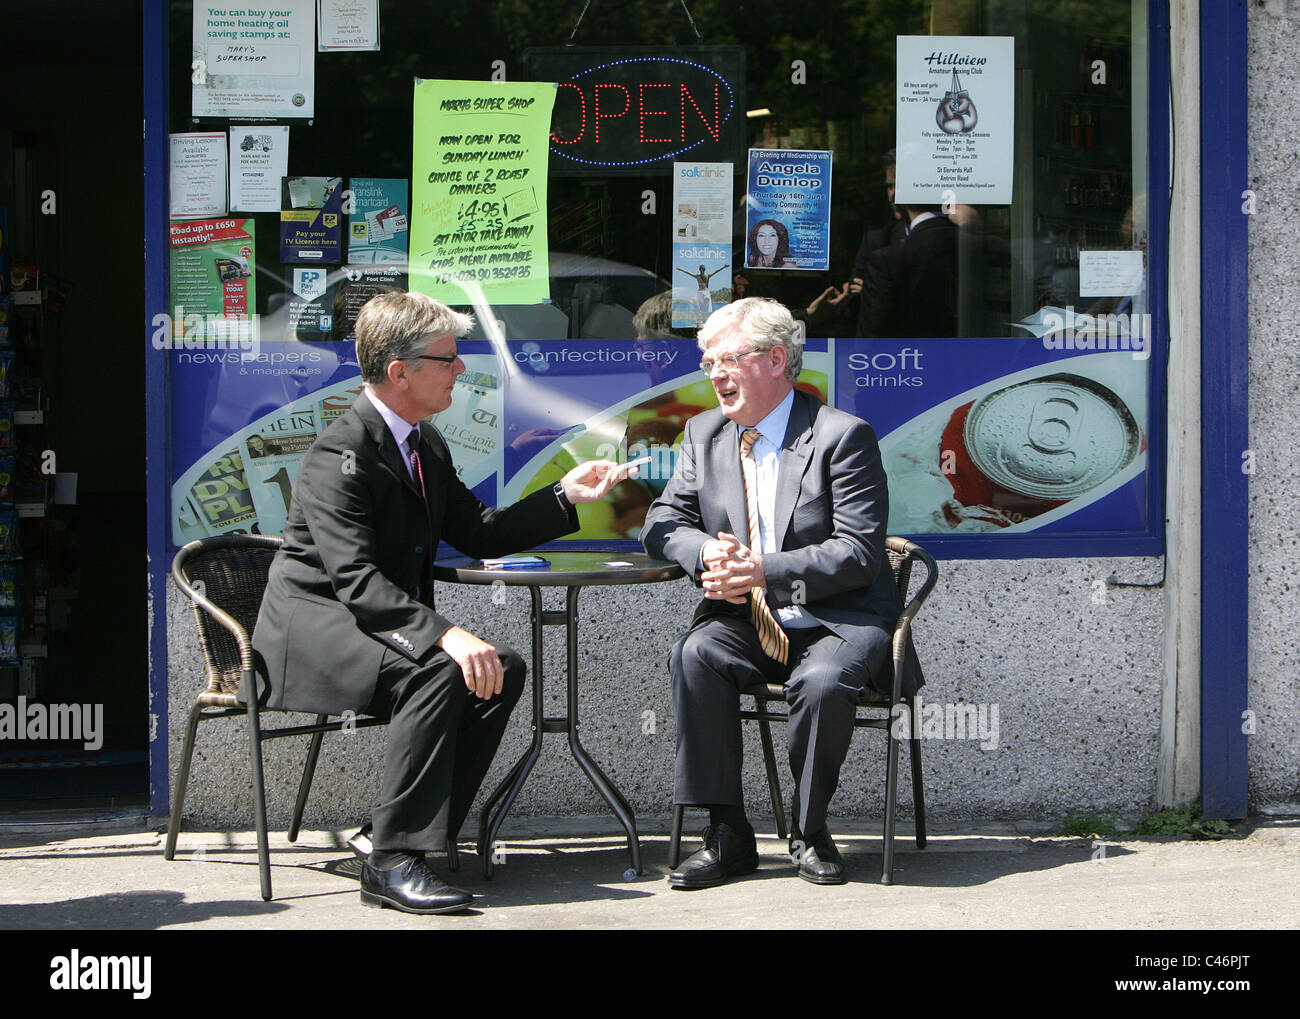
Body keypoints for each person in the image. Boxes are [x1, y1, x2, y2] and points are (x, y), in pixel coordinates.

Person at [248, 290, 633, 915]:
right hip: (316, 634)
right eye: (448, 358)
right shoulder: (337, 456)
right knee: (441, 666)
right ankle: (394, 860)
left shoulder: (425, 445)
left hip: (372, 625)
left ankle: (397, 834)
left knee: (501, 668)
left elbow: (478, 532)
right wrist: (445, 634)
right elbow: (355, 580)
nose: (462, 370)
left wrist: (564, 495)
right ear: (401, 372)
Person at [641, 297, 922, 889]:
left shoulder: (841, 436)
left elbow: (858, 554)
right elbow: (663, 520)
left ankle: (810, 829)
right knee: (694, 656)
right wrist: (704, 553)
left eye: (727, 358)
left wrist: (762, 569)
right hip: (750, 617)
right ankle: (726, 836)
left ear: (775, 359)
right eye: (707, 361)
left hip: (838, 618)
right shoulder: (704, 432)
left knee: (820, 681)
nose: (714, 373)